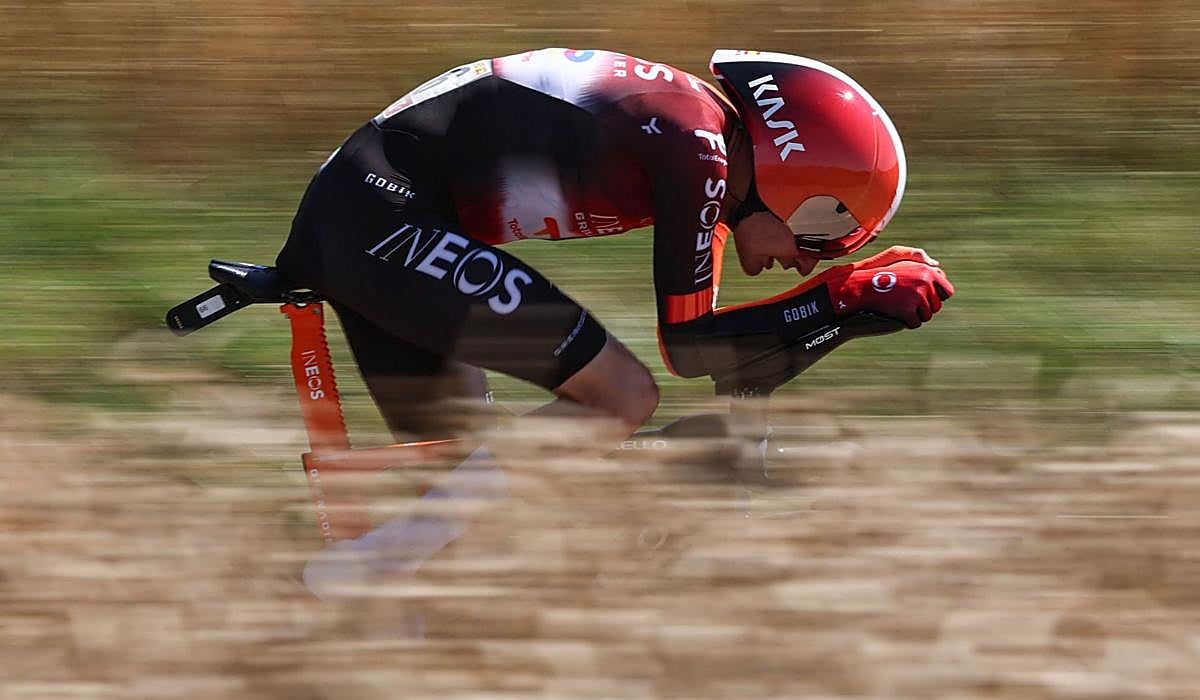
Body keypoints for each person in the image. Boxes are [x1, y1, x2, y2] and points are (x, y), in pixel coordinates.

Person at [281, 48, 954, 594]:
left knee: (469, 514)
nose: (804, 262)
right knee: (619, 396)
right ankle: (357, 570)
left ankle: (350, 608)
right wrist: (839, 296)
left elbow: (719, 347)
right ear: (791, 177)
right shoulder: (698, 148)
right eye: (818, 238)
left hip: (368, 216)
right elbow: (690, 350)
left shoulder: (705, 143)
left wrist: (840, 306)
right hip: (380, 220)